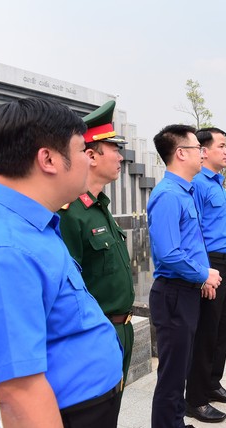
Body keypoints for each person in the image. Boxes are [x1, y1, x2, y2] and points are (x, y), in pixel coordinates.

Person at [0, 98, 123, 428]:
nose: (89, 159)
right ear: (49, 159)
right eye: (83, 149)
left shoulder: (30, 222)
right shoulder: (2, 248)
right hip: (69, 414)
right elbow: (15, 394)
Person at [147, 124, 222, 428]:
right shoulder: (167, 195)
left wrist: (201, 277)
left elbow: (192, 243)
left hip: (186, 291)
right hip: (174, 294)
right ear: (180, 153)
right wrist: (203, 272)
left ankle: (175, 423)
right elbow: (169, 253)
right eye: (197, 149)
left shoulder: (184, 191)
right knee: (172, 374)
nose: (203, 154)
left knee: (181, 368)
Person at [59, 101, 135, 391]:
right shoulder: (70, 213)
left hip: (121, 330)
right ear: (91, 155)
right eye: (114, 149)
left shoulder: (100, 207)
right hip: (96, 333)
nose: (120, 157)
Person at [185, 128, 226, 424]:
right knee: (206, 332)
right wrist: (205, 272)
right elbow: (194, 232)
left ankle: (212, 383)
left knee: (222, 329)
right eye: (222, 146)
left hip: (223, 262)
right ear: (204, 151)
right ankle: (195, 399)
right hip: (207, 264)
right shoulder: (199, 184)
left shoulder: (218, 183)